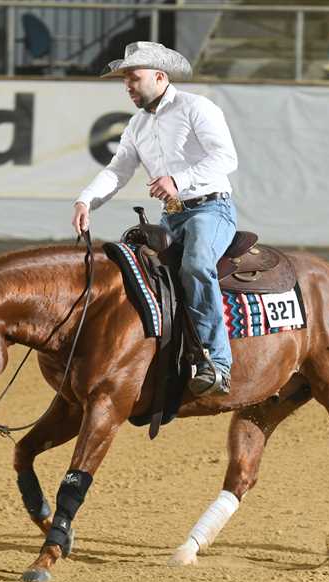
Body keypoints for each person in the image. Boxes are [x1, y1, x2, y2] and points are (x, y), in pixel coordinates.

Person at [72, 41, 239, 396]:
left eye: (133, 77)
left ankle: (218, 363)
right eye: (125, 80)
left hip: (211, 209)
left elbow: (226, 157)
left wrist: (178, 180)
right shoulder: (137, 125)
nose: (127, 86)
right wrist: (86, 200)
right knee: (136, 274)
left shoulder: (197, 107)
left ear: (160, 77)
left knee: (196, 266)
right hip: (172, 217)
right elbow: (118, 170)